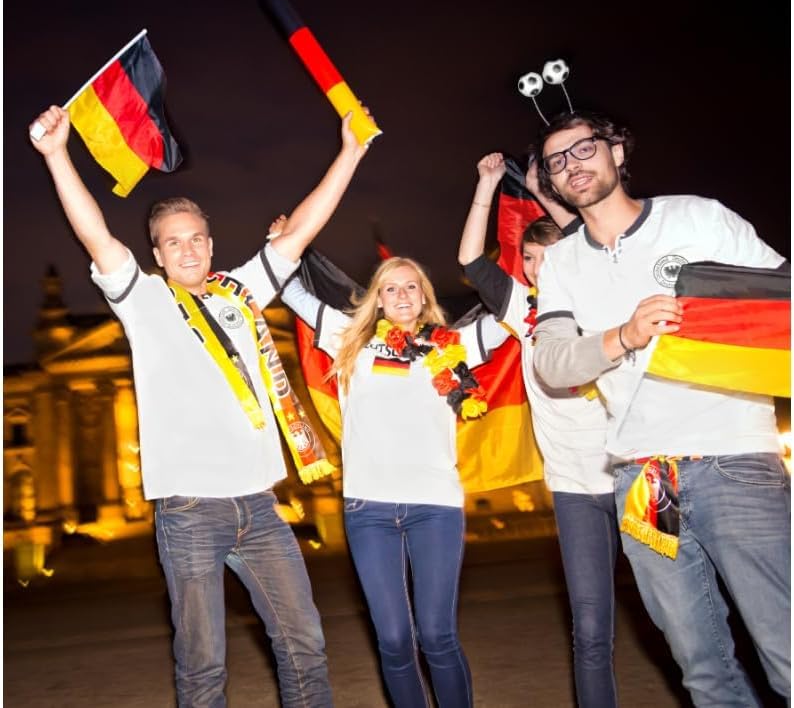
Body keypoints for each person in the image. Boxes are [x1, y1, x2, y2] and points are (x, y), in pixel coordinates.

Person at [30, 103, 373, 707]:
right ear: (157, 255)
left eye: (195, 239)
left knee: (304, 645)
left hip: (261, 506)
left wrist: (350, 151)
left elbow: (299, 232)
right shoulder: (143, 302)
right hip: (189, 511)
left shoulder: (241, 293)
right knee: (203, 666)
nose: (187, 251)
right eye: (173, 243)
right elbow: (96, 235)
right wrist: (58, 155)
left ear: (210, 245)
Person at [531, 110, 790, 706]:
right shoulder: (562, 262)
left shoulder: (697, 218)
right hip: (645, 479)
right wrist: (622, 335)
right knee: (702, 668)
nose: (572, 165)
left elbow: (784, 301)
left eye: (584, 148)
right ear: (550, 181)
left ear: (617, 152)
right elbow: (553, 364)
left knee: (787, 650)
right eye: (556, 161)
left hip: (733, 459)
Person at [270, 238, 506, 708]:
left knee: (437, 635)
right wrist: (285, 242)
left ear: (424, 296)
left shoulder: (455, 345)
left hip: (435, 507)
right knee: (395, 640)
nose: (402, 295)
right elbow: (291, 290)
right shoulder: (349, 338)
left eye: (411, 287)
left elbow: (513, 312)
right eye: (391, 288)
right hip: (369, 509)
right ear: (377, 298)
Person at [458, 153, 618, 708]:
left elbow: (591, 232)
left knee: (674, 611)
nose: (536, 267)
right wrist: (486, 185)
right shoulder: (521, 308)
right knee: (590, 629)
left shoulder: (601, 297)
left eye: (547, 256)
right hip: (573, 487)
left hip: (633, 477)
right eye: (528, 258)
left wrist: (544, 193)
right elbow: (470, 260)